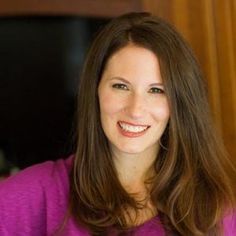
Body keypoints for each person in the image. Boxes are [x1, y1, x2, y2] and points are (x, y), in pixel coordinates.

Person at [0, 12, 235, 236]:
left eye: (156, 90)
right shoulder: (40, 193)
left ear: (179, 103)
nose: (135, 110)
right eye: (120, 86)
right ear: (96, 90)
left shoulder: (214, 211)